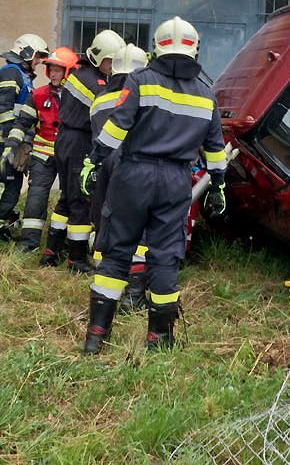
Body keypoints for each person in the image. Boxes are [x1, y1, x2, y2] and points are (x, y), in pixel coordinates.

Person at [81, 17, 227, 353]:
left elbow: (117, 128)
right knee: (164, 258)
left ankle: (96, 336)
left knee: (116, 254)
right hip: (176, 180)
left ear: (156, 49)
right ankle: (159, 340)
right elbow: (216, 149)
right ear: (195, 50)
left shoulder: (140, 81)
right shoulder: (207, 95)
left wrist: (94, 160)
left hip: (134, 175)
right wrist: (217, 185)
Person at [44, 29, 124, 272]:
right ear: (99, 58)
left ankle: (51, 251)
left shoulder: (81, 74)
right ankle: (76, 259)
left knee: (66, 199)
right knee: (82, 200)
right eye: (111, 61)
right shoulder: (95, 83)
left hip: (66, 139)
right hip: (79, 141)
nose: (113, 66)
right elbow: (109, 109)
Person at [87, 44, 149, 301]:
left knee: (107, 221)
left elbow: (97, 135)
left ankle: (105, 277)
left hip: (104, 163)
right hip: (136, 164)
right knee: (141, 226)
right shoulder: (145, 94)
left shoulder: (99, 99)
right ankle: (134, 292)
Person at [3, 46, 79, 252]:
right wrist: (12, 144)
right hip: (42, 155)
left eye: (58, 70)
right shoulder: (38, 95)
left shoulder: (80, 97)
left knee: (71, 199)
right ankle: (29, 243)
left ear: (69, 72)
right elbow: (23, 123)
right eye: (51, 69)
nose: (53, 73)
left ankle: (65, 245)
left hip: (70, 156)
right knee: (36, 198)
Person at [0, 33, 50, 246]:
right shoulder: (11, 72)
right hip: (0, 141)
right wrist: (15, 140)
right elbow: (3, 107)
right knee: (6, 185)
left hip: (6, 141)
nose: (38, 62)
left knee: (9, 185)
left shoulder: (22, 76)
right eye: (37, 56)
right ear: (26, 53)